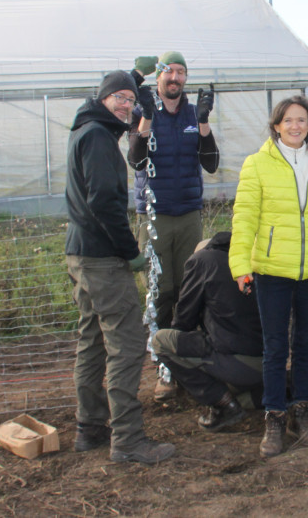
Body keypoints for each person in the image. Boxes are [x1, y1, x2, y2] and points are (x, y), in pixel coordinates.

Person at [229, 95, 308, 458]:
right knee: (274, 347)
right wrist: (240, 264)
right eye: (288, 120)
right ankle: (275, 414)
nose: (295, 126)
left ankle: (302, 407)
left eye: (302, 120)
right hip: (272, 270)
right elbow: (245, 216)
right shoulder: (256, 164)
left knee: (305, 344)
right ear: (277, 125)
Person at [65, 68, 175, 464]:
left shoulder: (87, 127)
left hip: (81, 254)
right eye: (120, 98)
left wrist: (130, 76)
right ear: (103, 99)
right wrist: (131, 251)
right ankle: (127, 439)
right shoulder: (97, 138)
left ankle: (89, 427)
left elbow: (95, 202)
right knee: (126, 344)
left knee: (92, 340)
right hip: (102, 258)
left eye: (131, 99)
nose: (127, 104)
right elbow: (105, 205)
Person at [127, 51, 219, 401]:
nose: (175, 77)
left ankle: (188, 364)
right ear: (159, 77)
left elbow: (211, 164)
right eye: (169, 71)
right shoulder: (142, 110)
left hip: (189, 215)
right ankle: (164, 369)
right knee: (160, 291)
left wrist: (205, 121)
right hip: (155, 216)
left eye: (181, 72)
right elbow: (135, 159)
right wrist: (148, 117)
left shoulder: (195, 115)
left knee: (189, 290)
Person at [150, 231, 264, 432]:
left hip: (234, 364)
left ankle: (223, 404)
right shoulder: (256, 256)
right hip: (269, 364)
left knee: (161, 341)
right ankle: (261, 394)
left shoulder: (203, 261)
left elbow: (183, 321)